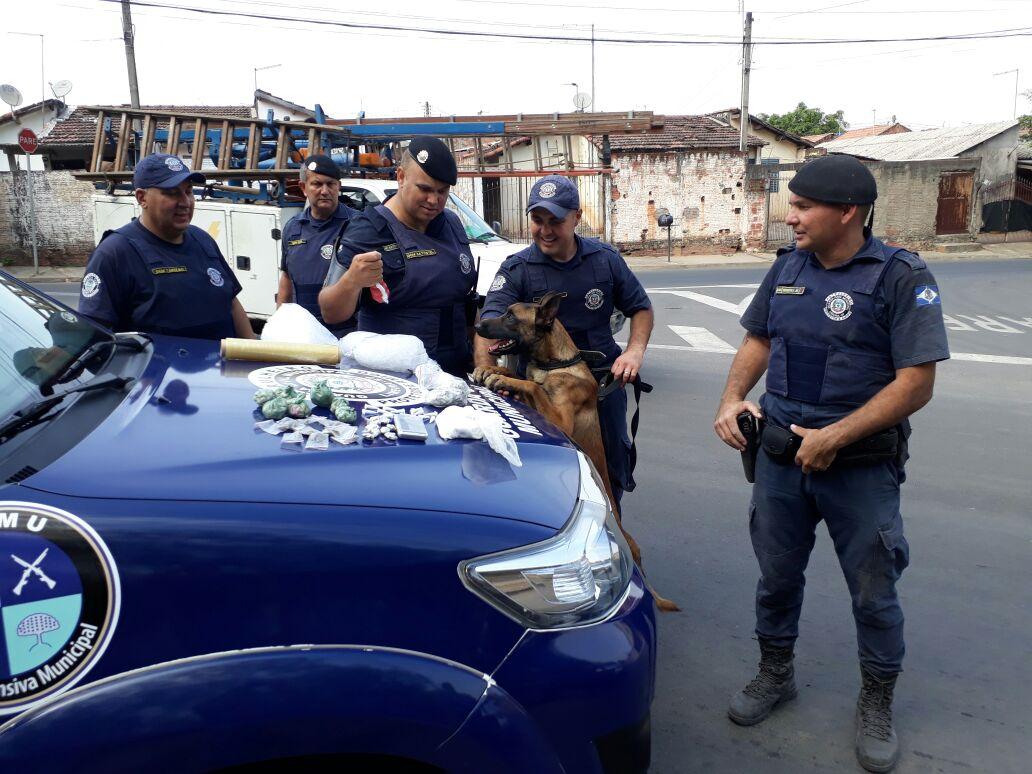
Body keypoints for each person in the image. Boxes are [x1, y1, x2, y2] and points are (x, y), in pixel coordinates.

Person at [712, 155, 949, 773]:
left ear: (847, 212)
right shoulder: (787, 266)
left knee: (874, 591)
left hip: (859, 467)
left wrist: (836, 435)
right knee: (777, 577)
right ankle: (776, 674)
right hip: (782, 460)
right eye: (791, 205)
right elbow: (759, 338)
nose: (789, 217)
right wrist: (733, 398)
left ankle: (876, 700)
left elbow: (916, 382)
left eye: (802, 206)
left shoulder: (901, 275)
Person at [475, 175, 654, 504]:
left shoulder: (605, 259)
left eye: (555, 221)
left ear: (577, 217)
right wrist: (485, 370)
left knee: (608, 471)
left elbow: (641, 308)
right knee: (544, 475)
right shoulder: (518, 268)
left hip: (603, 388)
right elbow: (489, 323)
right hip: (541, 393)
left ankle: (609, 542)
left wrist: (634, 352)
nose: (545, 230)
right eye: (537, 220)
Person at [319, 137, 476, 375]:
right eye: (424, 189)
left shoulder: (451, 223)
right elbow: (330, 311)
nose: (434, 200)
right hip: (395, 379)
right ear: (401, 177)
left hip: (453, 371)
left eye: (442, 192)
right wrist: (352, 280)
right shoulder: (367, 231)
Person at [78, 153, 254, 341]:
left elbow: (232, 303)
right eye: (171, 193)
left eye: (188, 191)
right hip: (154, 370)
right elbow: (94, 333)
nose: (185, 202)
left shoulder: (202, 240)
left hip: (222, 368)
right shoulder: (115, 253)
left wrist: (255, 355)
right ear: (142, 198)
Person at [277, 154, 356, 335]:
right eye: (317, 184)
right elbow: (287, 280)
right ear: (303, 188)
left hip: (346, 333)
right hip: (304, 333)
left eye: (331, 184)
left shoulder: (357, 225)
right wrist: (279, 323)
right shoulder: (293, 228)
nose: (325, 190)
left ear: (339, 187)